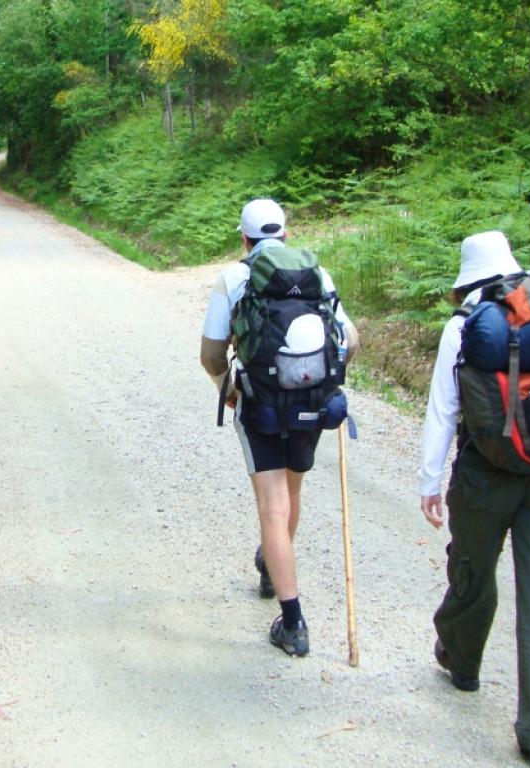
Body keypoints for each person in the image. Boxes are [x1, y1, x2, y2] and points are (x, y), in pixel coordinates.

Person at [419, 230, 530, 765]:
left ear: (466, 279)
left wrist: (429, 484)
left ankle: (463, 662)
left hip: (482, 476)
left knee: (473, 570)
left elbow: (442, 410)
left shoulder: (465, 326)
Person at [200, 198, 359, 656]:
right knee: (292, 495)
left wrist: (227, 388)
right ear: (286, 235)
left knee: (272, 510)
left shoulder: (235, 277)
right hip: (313, 405)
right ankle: (275, 563)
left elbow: (211, 356)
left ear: (244, 239)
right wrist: (329, 380)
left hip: (262, 407)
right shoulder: (318, 274)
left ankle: (292, 623)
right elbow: (350, 339)